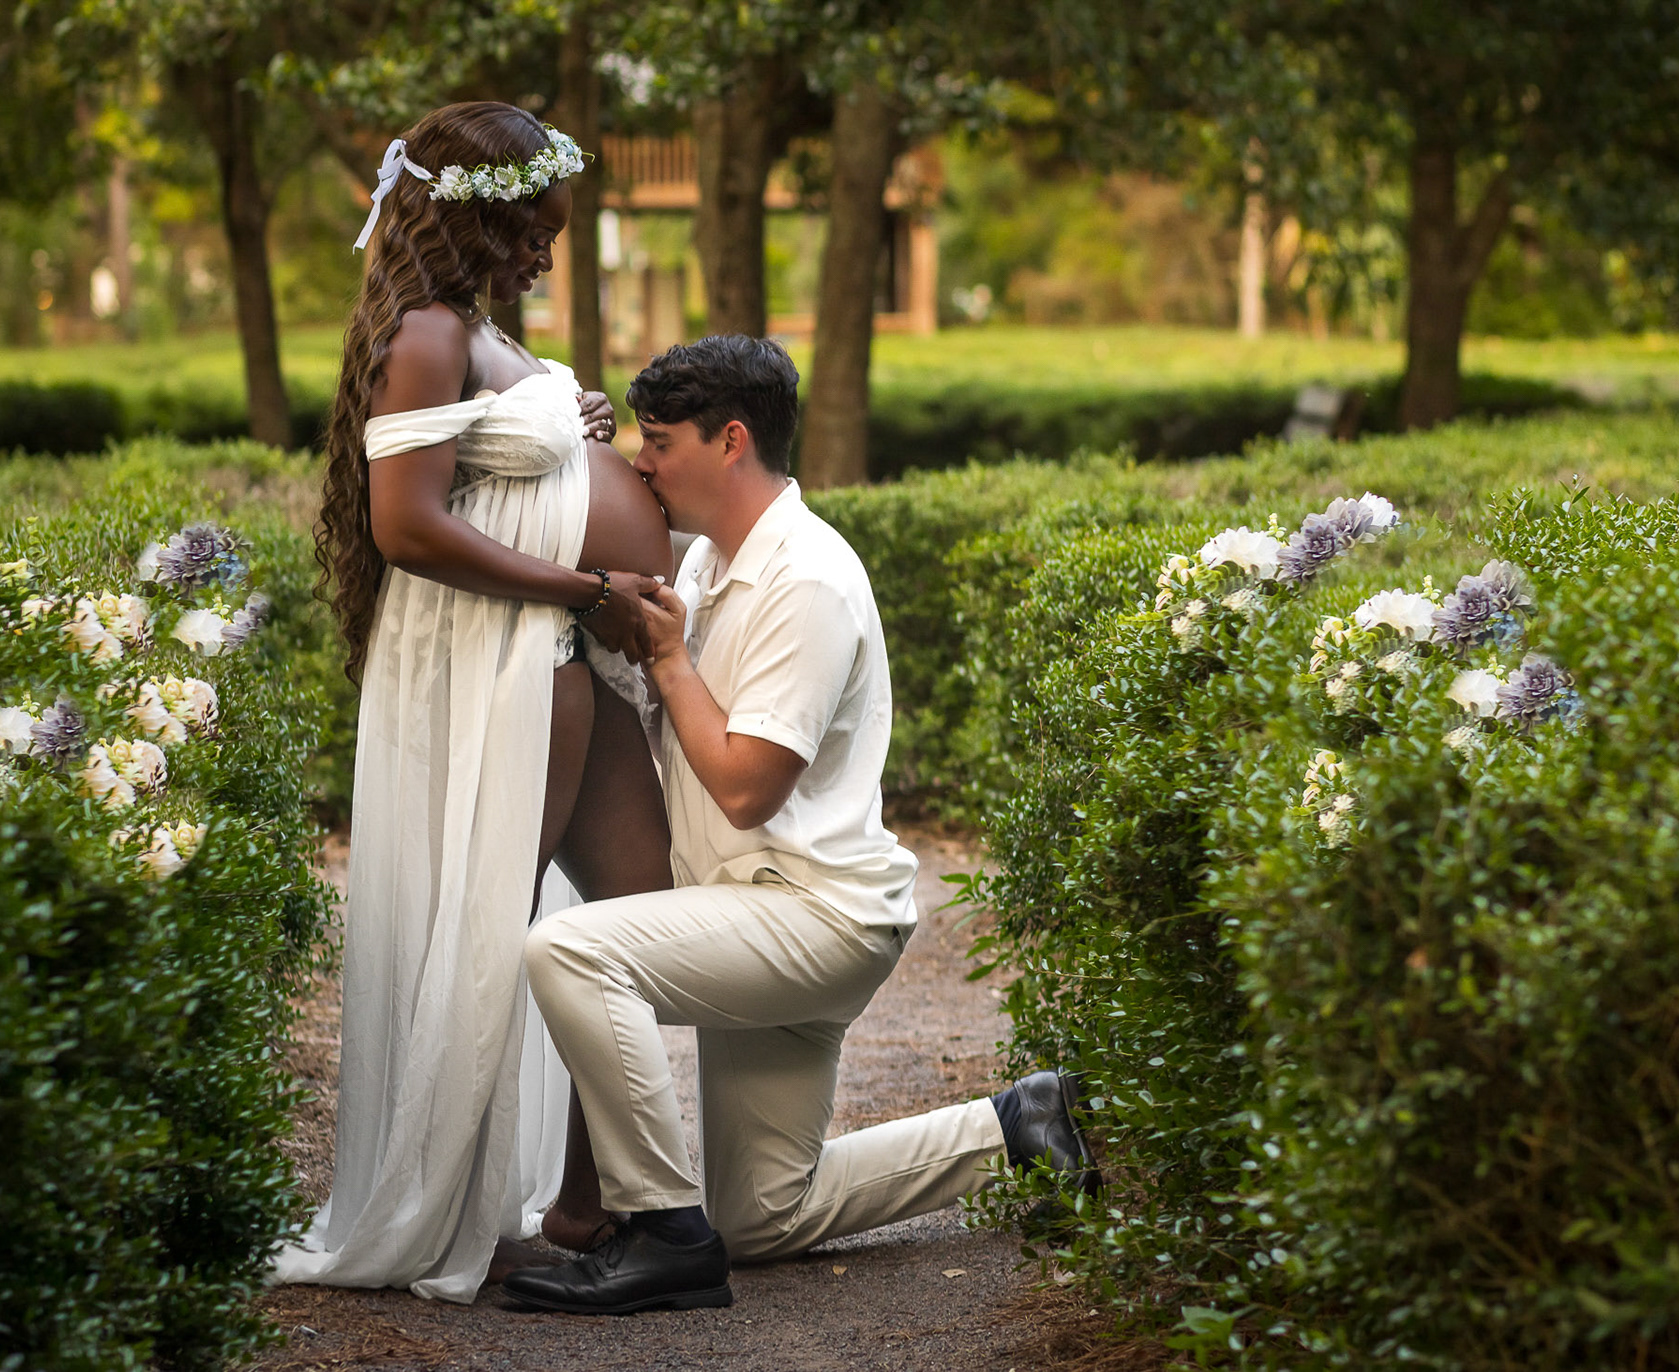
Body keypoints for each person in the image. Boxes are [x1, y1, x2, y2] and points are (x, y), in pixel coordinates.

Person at [504, 335, 1096, 1316]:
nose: (643, 462)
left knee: (569, 950)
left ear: (730, 440)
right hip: (757, 912)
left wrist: (669, 661)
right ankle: (1019, 1126)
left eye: (659, 441)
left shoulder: (808, 579)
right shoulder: (705, 563)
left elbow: (745, 788)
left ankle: (657, 1228)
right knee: (765, 1216)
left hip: (813, 916)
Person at [275, 101, 671, 1302]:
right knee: (492, 922)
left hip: (566, 650)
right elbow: (407, 524)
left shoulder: (476, 327)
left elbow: (489, 457)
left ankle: (596, 1203)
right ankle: (444, 1195)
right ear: (477, 219)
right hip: (512, 656)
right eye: (536, 230)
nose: (549, 252)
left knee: (642, 914)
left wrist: (570, 422)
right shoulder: (425, 331)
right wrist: (590, 582)